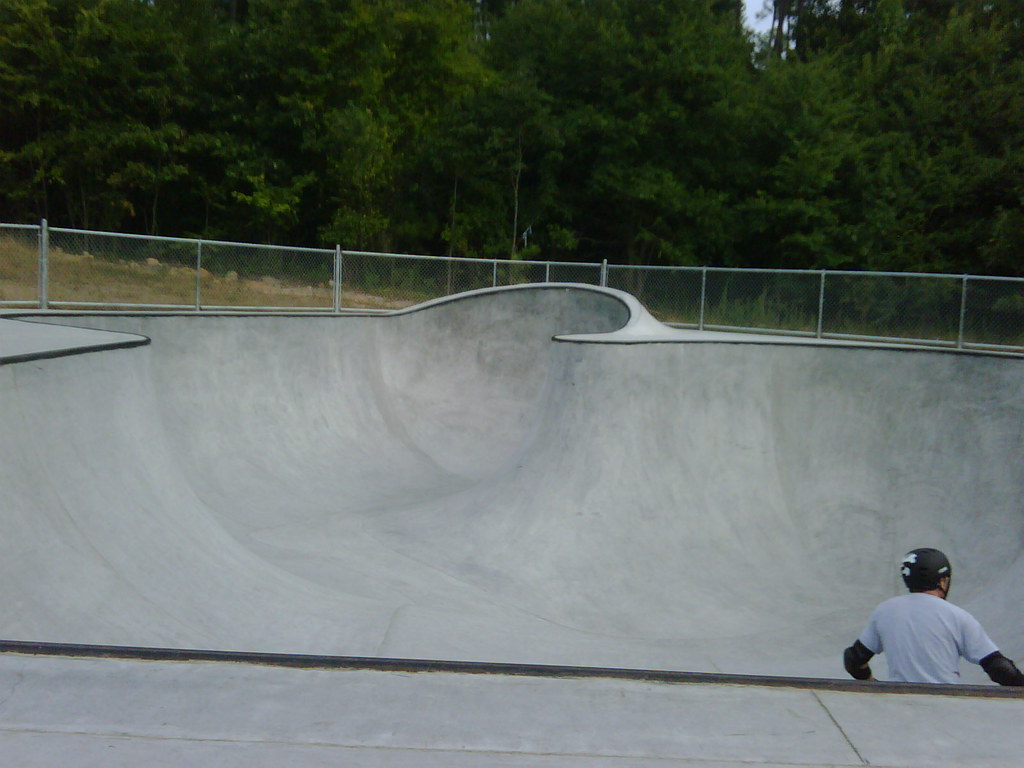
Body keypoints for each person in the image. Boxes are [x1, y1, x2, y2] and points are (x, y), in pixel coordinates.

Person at [843, 548, 1024, 686]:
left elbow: (853, 659)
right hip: (947, 701)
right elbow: (1000, 669)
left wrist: (872, 684)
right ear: (942, 581)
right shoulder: (957, 616)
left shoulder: (884, 611)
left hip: (898, 702)